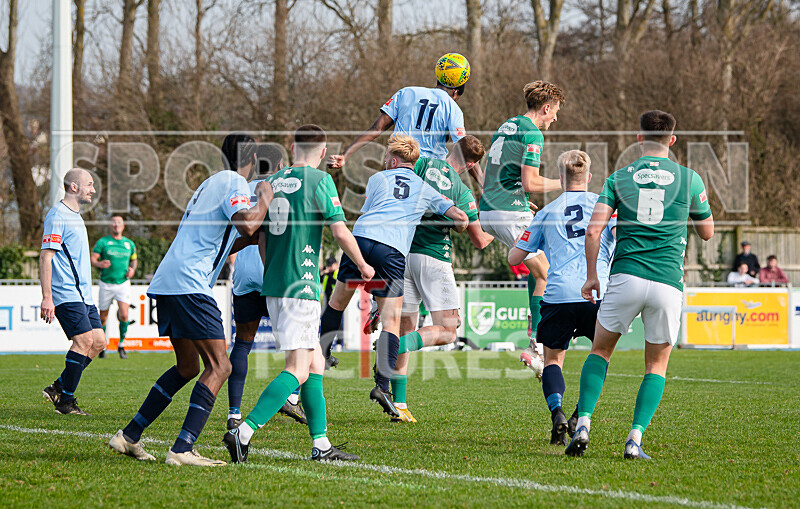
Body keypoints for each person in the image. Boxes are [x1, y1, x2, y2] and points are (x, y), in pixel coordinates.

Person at [108, 133, 272, 466]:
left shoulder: (211, 183)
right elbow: (245, 224)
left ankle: (128, 435)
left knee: (187, 367)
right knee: (220, 365)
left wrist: (256, 237)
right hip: (189, 284)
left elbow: (227, 239)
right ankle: (182, 448)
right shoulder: (236, 183)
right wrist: (265, 198)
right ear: (252, 159)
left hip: (169, 281)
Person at [565, 110, 714, 460]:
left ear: (638, 137)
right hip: (666, 282)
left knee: (600, 351)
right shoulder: (690, 178)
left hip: (626, 275)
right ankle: (634, 439)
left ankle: (583, 423)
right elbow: (707, 233)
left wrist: (591, 276)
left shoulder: (619, 177)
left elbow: (593, 231)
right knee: (656, 366)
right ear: (672, 140)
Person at [223, 125, 374, 463]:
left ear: (292, 147)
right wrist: (363, 265)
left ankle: (320, 445)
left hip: (277, 283)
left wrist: (273, 268)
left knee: (316, 362)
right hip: (301, 284)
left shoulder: (272, 183)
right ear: (322, 153)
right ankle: (242, 432)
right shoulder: (320, 181)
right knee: (299, 368)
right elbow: (340, 231)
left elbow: (260, 238)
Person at [319, 134, 468, 419]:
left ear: (393, 159)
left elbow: (371, 209)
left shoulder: (378, 179)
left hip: (361, 239)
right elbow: (461, 219)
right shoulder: (425, 188)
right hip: (392, 249)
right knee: (392, 320)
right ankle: (381, 386)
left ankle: (324, 353)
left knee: (337, 302)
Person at [508, 150, 616, 445]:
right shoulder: (605, 206)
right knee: (600, 356)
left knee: (554, 360)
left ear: (560, 178)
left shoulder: (546, 212)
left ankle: (557, 412)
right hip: (598, 293)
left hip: (558, 295)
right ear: (589, 177)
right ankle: (578, 417)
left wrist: (532, 230)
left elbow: (514, 256)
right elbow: (623, 242)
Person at [391, 135, 493, 422]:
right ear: (471, 164)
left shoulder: (421, 163)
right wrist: (505, 228)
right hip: (434, 259)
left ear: (452, 149)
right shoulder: (461, 190)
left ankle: (399, 404)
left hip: (402, 254)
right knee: (447, 330)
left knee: (407, 327)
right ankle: (392, 348)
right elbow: (480, 241)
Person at [478, 80, 566, 379]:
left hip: (490, 208)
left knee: (539, 269)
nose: (556, 118)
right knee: (547, 273)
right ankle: (538, 346)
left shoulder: (507, 125)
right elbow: (531, 181)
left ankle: (537, 341)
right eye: (555, 111)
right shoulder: (533, 133)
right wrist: (564, 183)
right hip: (506, 212)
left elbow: (503, 172)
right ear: (546, 108)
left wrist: (519, 199)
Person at [227, 152, 306, 432]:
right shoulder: (278, 189)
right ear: (280, 166)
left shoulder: (238, 189)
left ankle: (233, 412)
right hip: (272, 270)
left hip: (244, 275)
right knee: (301, 344)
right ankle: (292, 398)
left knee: (243, 344)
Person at [327, 55, 482, 185]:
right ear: (456, 92)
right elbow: (465, 149)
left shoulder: (406, 92)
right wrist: (482, 182)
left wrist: (345, 154)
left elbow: (377, 128)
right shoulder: (452, 107)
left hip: (397, 165)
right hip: (430, 172)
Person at [40, 168, 107, 415]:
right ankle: (66, 402)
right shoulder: (57, 215)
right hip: (66, 292)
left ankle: (58, 386)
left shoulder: (75, 216)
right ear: (74, 187)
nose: (93, 189)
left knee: (98, 342)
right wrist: (47, 296)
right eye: (89, 184)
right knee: (83, 341)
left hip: (83, 294)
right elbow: (46, 257)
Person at [91, 216, 137, 359]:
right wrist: (99, 264)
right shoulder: (103, 242)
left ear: (123, 226)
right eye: (114, 222)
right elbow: (93, 258)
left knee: (124, 314)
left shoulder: (129, 244)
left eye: (119, 223)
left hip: (123, 283)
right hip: (106, 283)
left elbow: (134, 260)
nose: (116, 225)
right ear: (110, 226)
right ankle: (102, 345)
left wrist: (132, 270)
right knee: (103, 316)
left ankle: (121, 344)